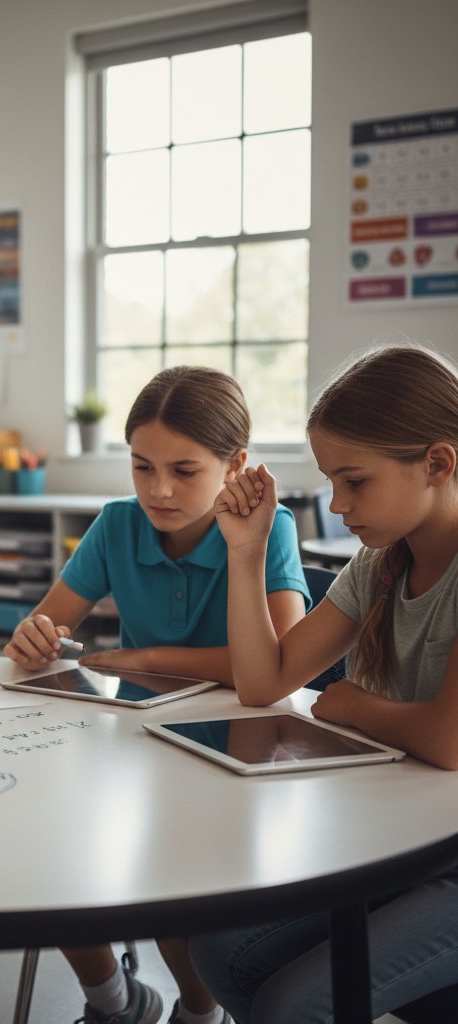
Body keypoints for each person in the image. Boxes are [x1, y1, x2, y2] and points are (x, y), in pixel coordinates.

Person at [4, 366, 310, 1024]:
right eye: (142, 467)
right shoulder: (117, 524)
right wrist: (34, 638)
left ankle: (199, 1015)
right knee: (47, 862)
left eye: (184, 470)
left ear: (236, 466)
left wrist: (146, 657)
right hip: (136, 749)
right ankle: (116, 1002)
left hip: (239, 755)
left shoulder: (270, 527)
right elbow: (50, 623)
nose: (159, 490)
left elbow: (281, 662)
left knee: (176, 905)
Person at [191, 344, 458, 1024]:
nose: (336, 504)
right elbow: (266, 681)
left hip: (449, 861)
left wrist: (353, 705)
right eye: (330, 481)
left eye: (355, 481)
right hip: (404, 837)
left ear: (437, 463)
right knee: (221, 951)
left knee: (292, 1005)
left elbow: (446, 739)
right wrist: (246, 552)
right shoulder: (380, 562)